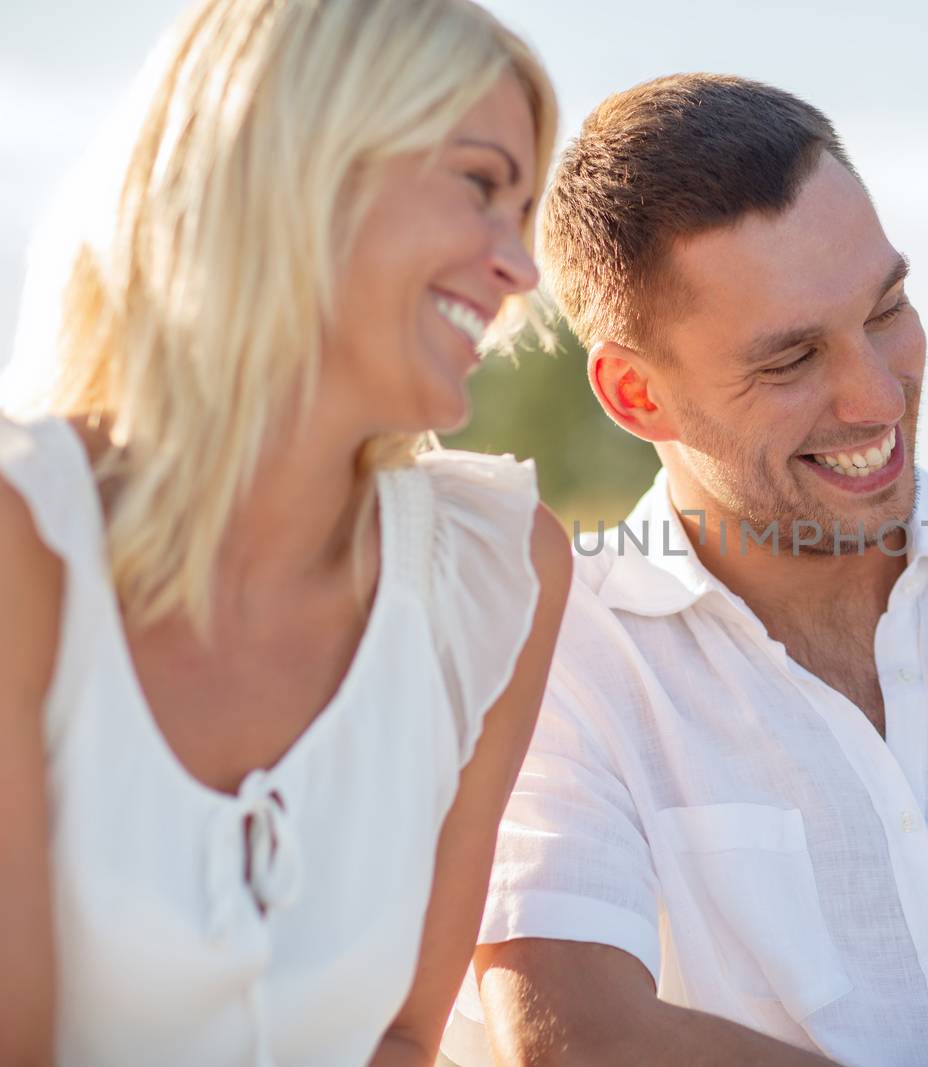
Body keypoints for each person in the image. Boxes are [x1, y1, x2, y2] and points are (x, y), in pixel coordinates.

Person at [433, 72, 928, 1067]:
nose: (875, 397)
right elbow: (578, 1034)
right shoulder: (561, 653)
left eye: (886, 309)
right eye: (789, 361)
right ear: (633, 393)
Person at [0, 0, 572, 1062]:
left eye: (525, 209)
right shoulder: (22, 540)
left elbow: (403, 1036)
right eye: (478, 185)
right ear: (293, 165)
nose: (521, 268)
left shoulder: (497, 573)